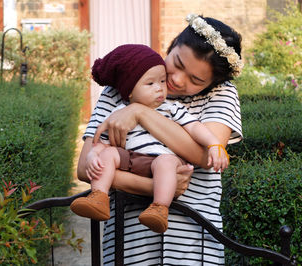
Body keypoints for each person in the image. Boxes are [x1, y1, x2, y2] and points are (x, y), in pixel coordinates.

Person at [77, 14, 243, 265]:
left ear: (212, 82)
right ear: (173, 43)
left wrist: (140, 112)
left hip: (192, 240)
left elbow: (204, 156)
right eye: (177, 62)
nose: (177, 79)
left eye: (196, 80)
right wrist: (156, 187)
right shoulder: (123, 83)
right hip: (130, 237)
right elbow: (84, 168)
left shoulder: (222, 93)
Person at [70, 44, 229, 234]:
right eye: (150, 84)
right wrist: (93, 156)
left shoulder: (171, 108)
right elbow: (100, 143)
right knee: (108, 154)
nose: (160, 89)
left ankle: (159, 207)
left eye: (162, 81)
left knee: (166, 163)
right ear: (129, 90)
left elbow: (195, 127)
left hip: (160, 159)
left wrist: (214, 144)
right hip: (128, 159)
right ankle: (98, 197)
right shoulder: (117, 112)